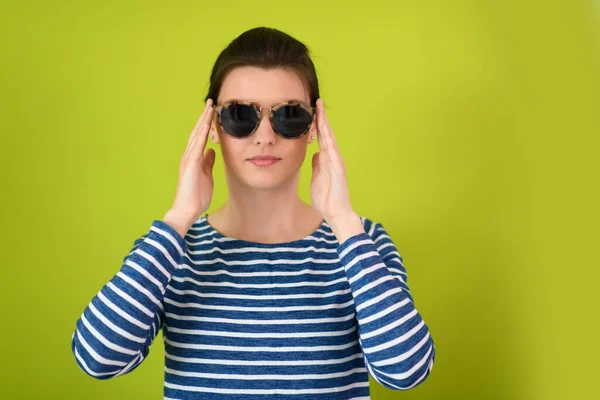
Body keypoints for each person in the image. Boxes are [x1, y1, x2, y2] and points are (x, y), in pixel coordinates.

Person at [71, 26, 436, 399]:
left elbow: (405, 370)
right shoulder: (171, 249)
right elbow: (98, 358)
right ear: (213, 125)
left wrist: (343, 220)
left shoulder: (362, 241)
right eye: (241, 115)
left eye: (289, 115)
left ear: (313, 127)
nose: (265, 136)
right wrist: (179, 218)